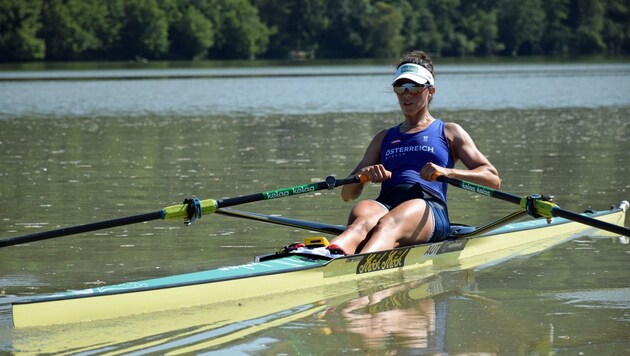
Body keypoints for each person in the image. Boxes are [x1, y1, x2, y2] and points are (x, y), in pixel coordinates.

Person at [324, 50, 501, 256]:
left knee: (388, 224)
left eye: (414, 87)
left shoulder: (449, 131)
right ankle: (326, 254)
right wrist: (364, 176)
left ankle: (355, 265)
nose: (407, 94)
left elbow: (492, 179)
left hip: (428, 207)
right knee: (360, 218)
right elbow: (347, 195)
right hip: (385, 203)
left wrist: (448, 172)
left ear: (430, 91)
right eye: (401, 87)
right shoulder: (383, 137)